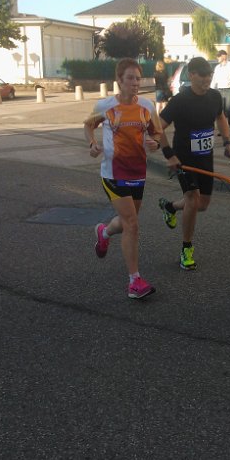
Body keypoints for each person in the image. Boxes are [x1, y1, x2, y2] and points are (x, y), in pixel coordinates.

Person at [84, 58, 162, 299]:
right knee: (132, 224)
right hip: (113, 173)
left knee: (128, 221)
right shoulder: (105, 105)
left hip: (138, 171)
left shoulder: (147, 106)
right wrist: (92, 144)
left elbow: (157, 133)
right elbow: (88, 125)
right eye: (130, 78)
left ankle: (104, 232)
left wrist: (155, 143)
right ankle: (134, 281)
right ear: (119, 80)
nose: (135, 83)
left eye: (138, 78)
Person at [157, 57, 230, 270]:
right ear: (191, 75)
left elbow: (221, 118)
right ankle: (186, 249)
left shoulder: (214, 96)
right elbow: (156, 127)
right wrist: (169, 155)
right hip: (184, 159)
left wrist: (227, 142)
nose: (207, 79)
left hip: (205, 156)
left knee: (202, 204)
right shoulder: (180, 100)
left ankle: (170, 206)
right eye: (202, 75)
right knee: (192, 199)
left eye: (209, 75)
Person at [210, 49, 230, 134]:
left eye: (219, 57)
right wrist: (210, 91)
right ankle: (223, 129)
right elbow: (214, 80)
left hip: (229, 89)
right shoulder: (217, 67)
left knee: (228, 109)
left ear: (223, 57)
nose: (217, 58)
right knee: (221, 110)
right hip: (220, 90)